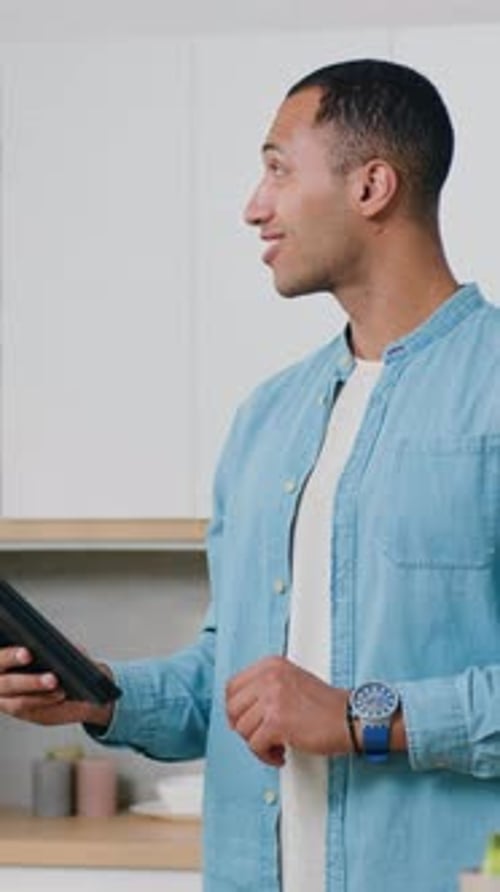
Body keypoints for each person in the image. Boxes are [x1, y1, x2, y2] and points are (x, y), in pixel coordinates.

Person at [1, 58, 500, 892]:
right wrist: (102, 697)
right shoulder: (268, 419)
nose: (253, 206)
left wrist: (356, 717)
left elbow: (320, 707)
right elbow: (229, 678)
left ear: (372, 186)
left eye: (277, 168)